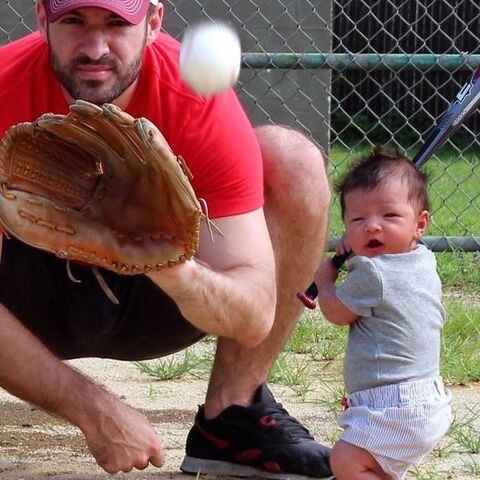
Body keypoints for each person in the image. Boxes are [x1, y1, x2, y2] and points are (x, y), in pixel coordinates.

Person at [0, 0, 334, 478]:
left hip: (159, 303)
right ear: (41, 19)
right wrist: (92, 408)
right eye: (73, 21)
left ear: (153, 23)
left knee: (294, 162)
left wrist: (170, 264)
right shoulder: (3, 85)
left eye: (117, 23)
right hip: (29, 304)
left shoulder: (194, 99)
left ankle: (232, 419)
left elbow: (253, 312)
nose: (95, 48)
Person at [313, 146, 452, 480]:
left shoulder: (374, 275)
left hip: (393, 405)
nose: (372, 227)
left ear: (419, 223)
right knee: (374, 464)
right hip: (426, 399)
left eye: (389, 217)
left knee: (346, 461)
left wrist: (326, 281)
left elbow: (336, 312)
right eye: (358, 220)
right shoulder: (423, 259)